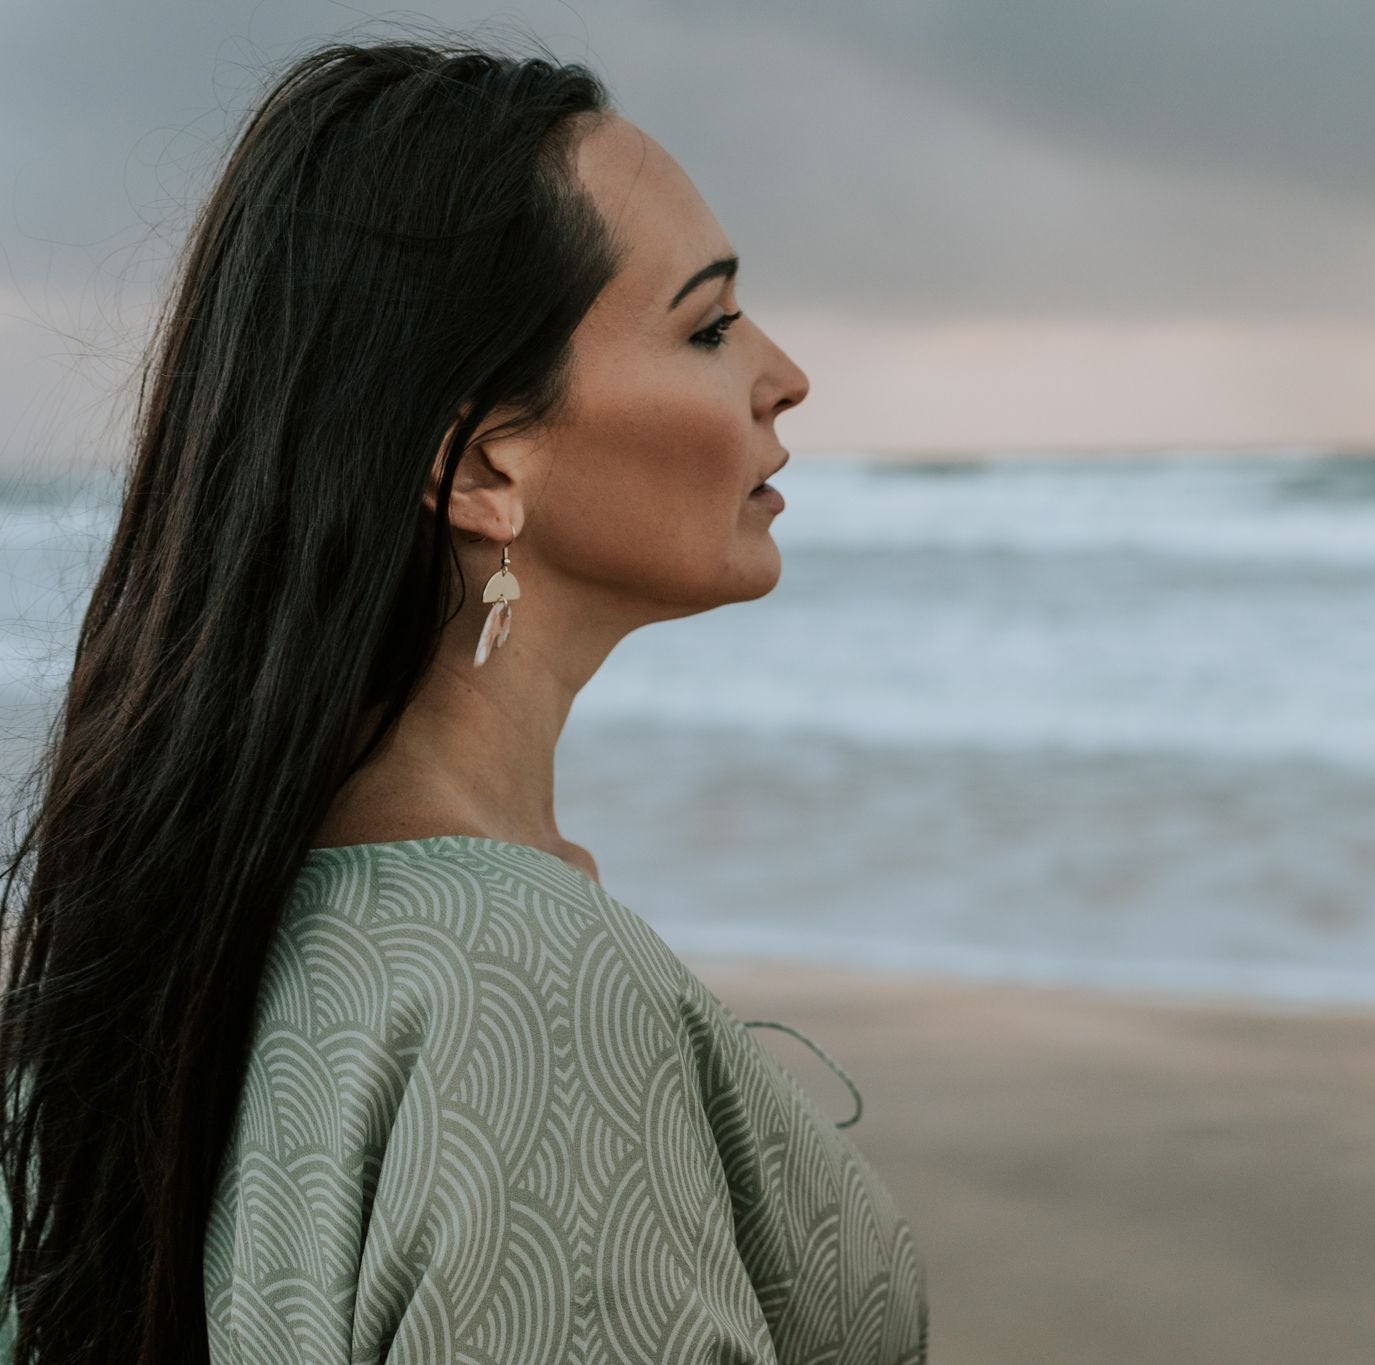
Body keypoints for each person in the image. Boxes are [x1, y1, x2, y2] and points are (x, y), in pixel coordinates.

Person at [0, 33, 927, 1365]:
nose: (782, 374)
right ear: (484, 464)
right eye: (710, 324)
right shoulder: (534, 995)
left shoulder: (153, 965)